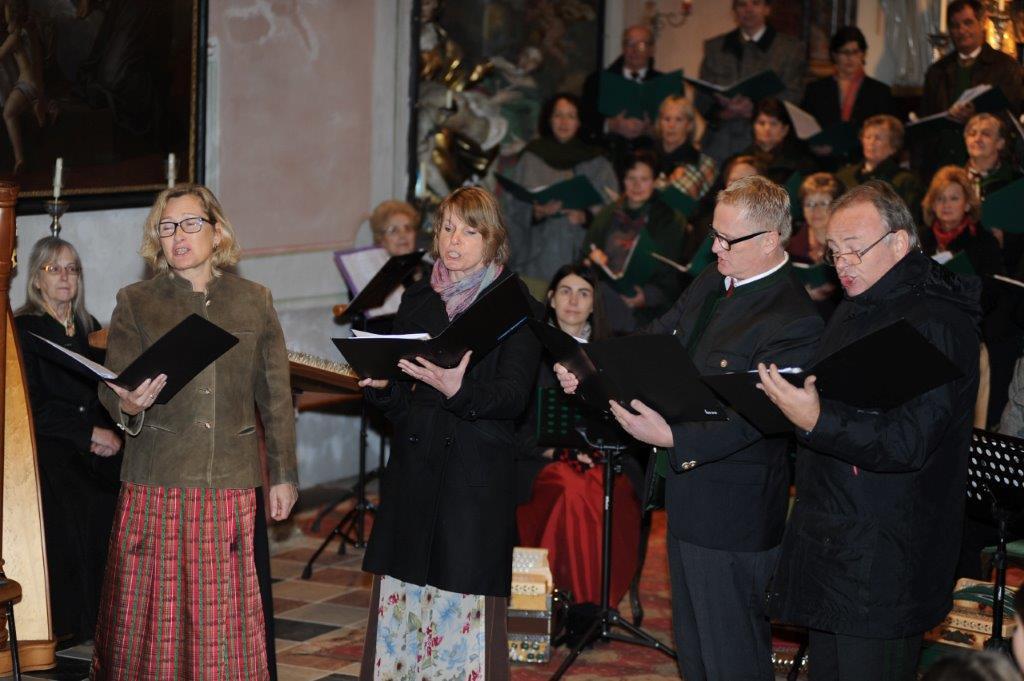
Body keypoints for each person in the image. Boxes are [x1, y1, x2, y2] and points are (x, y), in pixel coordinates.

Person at [558, 175, 823, 681]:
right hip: (688, 497)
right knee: (696, 652)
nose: (714, 248)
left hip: (733, 512)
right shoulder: (714, 279)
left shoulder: (793, 318)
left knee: (732, 656)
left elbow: (755, 417)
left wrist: (674, 438)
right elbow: (655, 339)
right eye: (714, 234)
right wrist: (590, 367)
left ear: (770, 240)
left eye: (727, 239)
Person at [762, 180, 981, 680]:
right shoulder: (857, 305)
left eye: (855, 249)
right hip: (837, 541)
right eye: (834, 251)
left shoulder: (935, 322)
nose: (843, 264)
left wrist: (816, 419)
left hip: (885, 556)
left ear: (899, 243)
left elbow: (907, 443)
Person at [92, 184, 299, 680]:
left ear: (217, 232)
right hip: (158, 477)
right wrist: (127, 403)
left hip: (229, 479)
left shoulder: (253, 300)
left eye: (190, 223)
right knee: (154, 619)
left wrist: (284, 475)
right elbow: (110, 386)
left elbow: (275, 397)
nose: (178, 236)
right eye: (167, 227)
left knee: (222, 620)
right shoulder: (136, 301)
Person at [357, 186, 542, 681]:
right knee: (402, 619)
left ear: (492, 240)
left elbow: (514, 398)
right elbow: (405, 406)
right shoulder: (419, 299)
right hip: (414, 474)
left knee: (460, 625)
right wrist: (383, 389)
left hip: (471, 479)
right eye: (447, 228)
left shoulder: (515, 305)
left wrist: (459, 391)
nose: (454, 240)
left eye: (469, 231)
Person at [515, 264, 642, 608]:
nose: (573, 300)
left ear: (593, 305)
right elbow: (516, 426)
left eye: (583, 293)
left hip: (606, 457)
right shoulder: (528, 350)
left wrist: (599, 450)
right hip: (538, 459)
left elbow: (628, 421)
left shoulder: (611, 352)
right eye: (566, 291)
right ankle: (548, 602)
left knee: (604, 488)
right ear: (551, 299)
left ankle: (593, 606)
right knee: (570, 487)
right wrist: (557, 453)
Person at [14, 237, 120, 645]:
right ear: (36, 280)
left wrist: (110, 435)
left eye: (72, 268)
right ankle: (76, 621)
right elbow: (31, 406)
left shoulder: (90, 327)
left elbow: (106, 392)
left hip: (97, 442)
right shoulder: (25, 329)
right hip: (50, 444)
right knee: (80, 499)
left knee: (130, 487)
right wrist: (87, 434)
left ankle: (115, 615)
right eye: (53, 268)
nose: (64, 276)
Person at [503, 93, 615, 285]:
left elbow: (612, 210)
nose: (564, 122)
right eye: (558, 115)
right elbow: (511, 208)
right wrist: (535, 214)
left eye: (571, 116)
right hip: (536, 258)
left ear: (579, 122)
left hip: (581, 256)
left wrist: (586, 217)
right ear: (549, 120)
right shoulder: (531, 158)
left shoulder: (597, 162)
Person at [584, 149, 687, 332]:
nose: (636, 185)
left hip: (649, 310)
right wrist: (593, 258)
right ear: (623, 180)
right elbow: (587, 251)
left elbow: (672, 273)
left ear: (655, 181)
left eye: (644, 179)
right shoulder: (609, 213)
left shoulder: (669, 218)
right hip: (606, 300)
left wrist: (647, 296)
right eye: (631, 178)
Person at [918, 0, 1024, 175]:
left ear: (981, 23)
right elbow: (927, 117)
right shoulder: (937, 71)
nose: (962, 31)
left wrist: (975, 114)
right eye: (955, 26)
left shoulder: (1005, 66)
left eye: (968, 23)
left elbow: (1013, 111)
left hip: (990, 163)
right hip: (945, 161)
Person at [697, 0, 806, 164]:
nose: (748, 10)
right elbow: (701, 99)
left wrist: (754, 109)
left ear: (767, 9)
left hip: (766, 145)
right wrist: (722, 112)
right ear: (734, 11)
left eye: (755, 3)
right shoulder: (716, 47)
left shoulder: (789, 49)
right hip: (719, 143)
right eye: (742, 4)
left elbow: (794, 95)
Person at [801, 26, 893, 168]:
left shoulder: (880, 92)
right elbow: (804, 128)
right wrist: (813, 146)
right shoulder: (815, 90)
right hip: (823, 163)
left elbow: (888, 133)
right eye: (844, 52)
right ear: (834, 55)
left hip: (864, 163)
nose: (850, 58)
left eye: (855, 52)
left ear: (863, 55)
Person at [580, 24, 661, 169]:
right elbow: (584, 121)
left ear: (651, 50)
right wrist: (611, 125)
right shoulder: (597, 81)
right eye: (630, 44)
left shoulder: (663, 84)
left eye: (641, 45)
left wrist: (651, 129)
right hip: (606, 161)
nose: (634, 50)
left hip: (651, 163)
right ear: (623, 48)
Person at [963, 113, 1023, 271]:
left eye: (986, 134)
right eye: (972, 134)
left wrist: (1006, 239)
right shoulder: (952, 179)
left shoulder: (1015, 181)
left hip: (1004, 266)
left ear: (1000, 143)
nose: (977, 139)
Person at [920, 165, 1005, 277]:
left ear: (967, 204)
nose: (946, 205)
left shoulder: (984, 242)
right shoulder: (918, 240)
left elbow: (993, 284)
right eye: (940, 198)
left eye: (954, 198)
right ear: (933, 205)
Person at [837, 115, 924, 222]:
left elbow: (908, 220)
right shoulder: (844, 175)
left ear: (893, 146)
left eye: (878, 138)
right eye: (867, 137)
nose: (871, 142)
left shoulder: (905, 180)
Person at [788, 172, 843, 317]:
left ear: (836, 206)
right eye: (809, 204)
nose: (816, 210)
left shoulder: (848, 244)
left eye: (823, 203)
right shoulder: (790, 247)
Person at [652, 95, 716, 202]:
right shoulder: (646, 154)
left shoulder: (700, 163)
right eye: (667, 119)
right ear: (659, 122)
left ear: (689, 125)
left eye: (678, 120)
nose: (671, 126)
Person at [738, 97, 815, 185]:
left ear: (785, 129)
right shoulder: (741, 161)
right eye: (761, 123)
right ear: (753, 127)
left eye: (773, 124)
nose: (767, 128)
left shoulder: (802, 163)